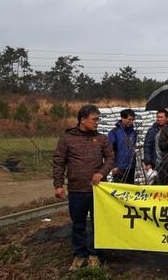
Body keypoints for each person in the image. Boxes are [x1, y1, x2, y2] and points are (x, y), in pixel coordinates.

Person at [53, 104, 114, 271]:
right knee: (78, 224)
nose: (97, 123)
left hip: (98, 190)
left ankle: (94, 254)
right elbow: (59, 162)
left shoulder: (102, 138)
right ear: (82, 120)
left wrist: (101, 173)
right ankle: (80, 255)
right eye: (94, 119)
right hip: (77, 190)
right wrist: (58, 184)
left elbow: (110, 159)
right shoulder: (67, 138)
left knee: (98, 223)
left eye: (98, 120)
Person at [108, 109, 138, 184]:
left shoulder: (133, 133)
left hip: (131, 166)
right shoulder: (114, 132)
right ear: (122, 118)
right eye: (129, 119)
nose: (131, 122)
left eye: (132, 120)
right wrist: (113, 166)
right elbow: (110, 151)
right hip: (119, 167)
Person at [143, 109, 168, 173]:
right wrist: (148, 163)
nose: (159, 119)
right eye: (158, 117)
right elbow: (147, 147)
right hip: (156, 162)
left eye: (161, 117)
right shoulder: (152, 131)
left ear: (167, 118)